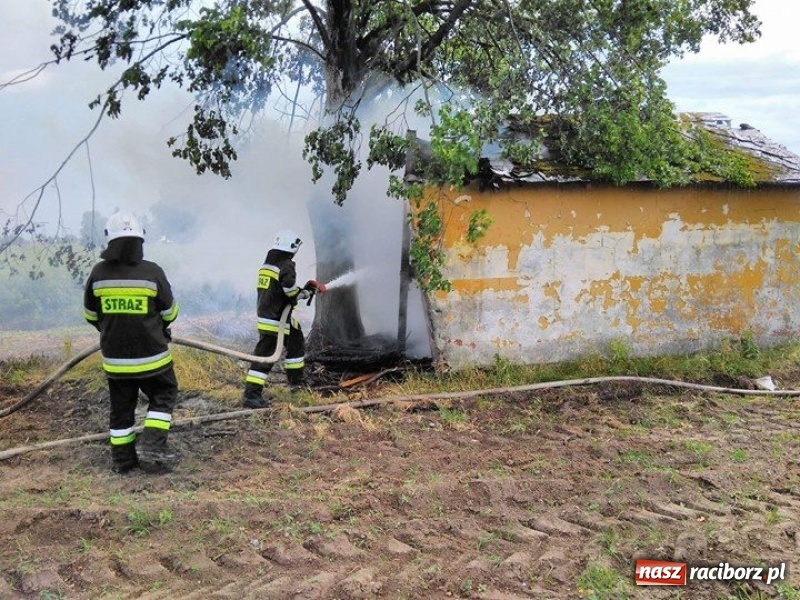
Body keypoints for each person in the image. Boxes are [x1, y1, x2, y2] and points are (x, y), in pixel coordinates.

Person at [82, 212, 180, 474]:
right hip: (153, 358)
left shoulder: (99, 273)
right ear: (140, 240)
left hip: (116, 361)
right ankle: (153, 448)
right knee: (164, 394)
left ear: (109, 240)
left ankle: (123, 462)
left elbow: (90, 315)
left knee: (121, 409)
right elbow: (170, 313)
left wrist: (113, 330)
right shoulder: (153, 272)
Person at [243, 229, 319, 408]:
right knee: (265, 357)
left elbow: (279, 290)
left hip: (272, 316)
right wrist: (303, 293)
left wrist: (301, 291)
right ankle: (251, 396)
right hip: (276, 319)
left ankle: (296, 385)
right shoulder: (286, 264)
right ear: (291, 247)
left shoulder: (268, 265)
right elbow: (289, 290)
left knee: (296, 342)